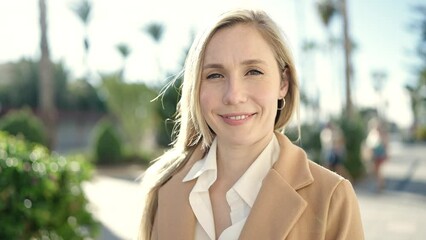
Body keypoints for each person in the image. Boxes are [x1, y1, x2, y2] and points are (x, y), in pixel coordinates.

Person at [139, 8, 364, 240]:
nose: (234, 95)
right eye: (215, 75)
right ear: (196, 88)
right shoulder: (164, 188)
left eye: (253, 72)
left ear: (283, 83)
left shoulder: (332, 199)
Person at [366, 117, 389, 191]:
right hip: (375, 154)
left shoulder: (381, 133)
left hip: (379, 154)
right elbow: (369, 143)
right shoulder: (372, 133)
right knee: (376, 170)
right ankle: (381, 184)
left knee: (378, 170)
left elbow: (385, 144)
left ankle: (380, 185)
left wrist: (386, 154)